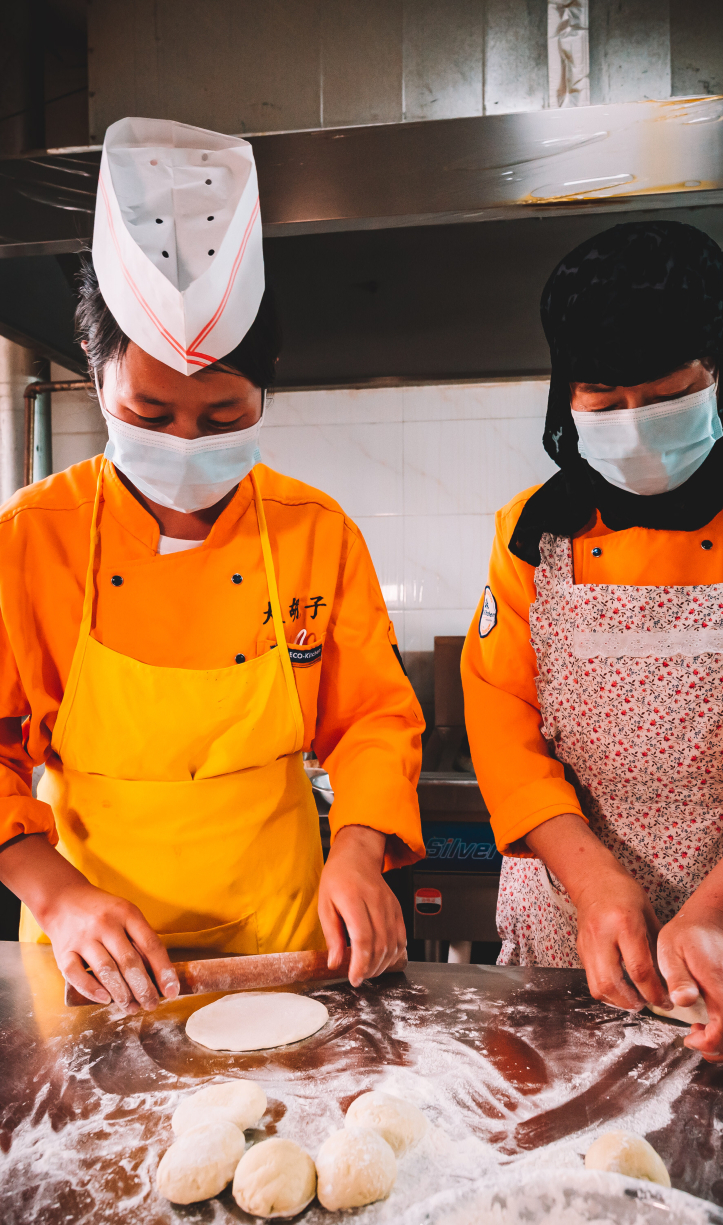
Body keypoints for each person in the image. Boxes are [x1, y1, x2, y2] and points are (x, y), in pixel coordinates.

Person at [0, 117, 424, 1013]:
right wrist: (55, 893)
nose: (187, 445)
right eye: (150, 416)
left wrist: (357, 848)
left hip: (284, 944)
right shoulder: (33, 537)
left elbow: (374, 721)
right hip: (90, 961)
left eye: (224, 419)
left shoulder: (315, 531)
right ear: (94, 377)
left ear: (266, 394)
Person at [462, 220, 723, 1066]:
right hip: (572, 939)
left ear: (719, 372)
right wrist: (595, 885)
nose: (635, 423)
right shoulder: (531, 535)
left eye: (664, 396)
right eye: (603, 400)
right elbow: (505, 730)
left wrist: (721, 913)